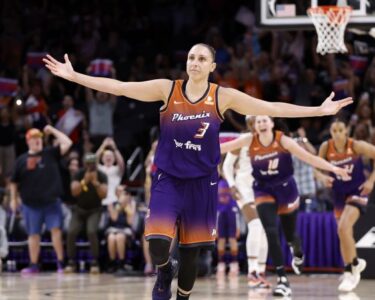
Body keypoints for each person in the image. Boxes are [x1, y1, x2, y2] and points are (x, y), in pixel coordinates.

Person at [44, 44, 352, 300]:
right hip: (167, 178)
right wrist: (75, 77)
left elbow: (269, 106)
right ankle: (165, 270)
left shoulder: (222, 96)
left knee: (191, 255)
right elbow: (120, 87)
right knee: (158, 245)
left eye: (201, 58)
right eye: (191, 57)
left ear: (212, 66)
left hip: (202, 184)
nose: (194, 62)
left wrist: (317, 110)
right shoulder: (168, 89)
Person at [221, 115, 350, 297]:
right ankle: (271, 276)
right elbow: (222, 151)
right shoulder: (246, 140)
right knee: (265, 228)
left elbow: (309, 158)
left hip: (284, 190)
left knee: (289, 235)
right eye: (256, 121)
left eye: (263, 120)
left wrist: (335, 169)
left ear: (272, 123)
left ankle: (295, 253)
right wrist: (193, 150)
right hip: (258, 190)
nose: (259, 124)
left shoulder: (283, 140)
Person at [315, 118, 375, 293]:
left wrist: (371, 180)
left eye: (341, 130)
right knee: (343, 232)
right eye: (334, 131)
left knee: (343, 227)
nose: (338, 134)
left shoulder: (356, 145)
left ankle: (351, 270)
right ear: (331, 133)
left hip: (358, 191)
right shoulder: (326, 147)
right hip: (339, 194)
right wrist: (321, 177)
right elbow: (315, 167)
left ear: (347, 131)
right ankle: (353, 264)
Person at [10, 125, 72, 274]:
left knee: (56, 231)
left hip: (51, 202)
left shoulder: (50, 153)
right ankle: (33, 264)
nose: (38, 141)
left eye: (39, 138)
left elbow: (68, 143)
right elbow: (13, 182)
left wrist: (53, 131)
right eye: (34, 138)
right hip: (30, 204)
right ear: (28, 141)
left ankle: (60, 263)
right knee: (33, 234)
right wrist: (13, 199)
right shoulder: (21, 160)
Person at [222, 115, 270, 288]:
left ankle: (261, 272)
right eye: (251, 122)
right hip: (243, 188)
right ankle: (252, 272)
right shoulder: (243, 140)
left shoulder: (269, 141)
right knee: (256, 225)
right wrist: (232, 185)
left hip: (262, 189)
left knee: (265, 229)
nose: (254, 125)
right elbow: (226, 166)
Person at [64, 153, 108, 274]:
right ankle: (71, 262)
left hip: (95, 210)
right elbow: (74, 192)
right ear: (85, 164)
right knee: (71, 232)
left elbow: (103, 195)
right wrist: (84, 181)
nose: (91, 166)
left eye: (93, 164)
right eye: (88, 164)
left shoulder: (102, 175)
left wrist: (96, 183)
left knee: (91, 231)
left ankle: (94, 262)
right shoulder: (78, 174)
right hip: (79, 210)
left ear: (96, 164)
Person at [106, 185, 136, 275]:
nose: (121, 194)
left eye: (123, 192)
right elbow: (114, 218)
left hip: (126, 230)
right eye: (119, 191)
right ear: (116, 193)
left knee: (119, 237)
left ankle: (121, 263)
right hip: (114, 228)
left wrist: (126, 206)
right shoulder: (111, 204)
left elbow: (130, 222)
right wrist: (119, 204)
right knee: (111, 237)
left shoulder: (131, 204)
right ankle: (112, 263)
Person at [215, 177, 240, 277]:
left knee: (232, 239)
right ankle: (221, 264)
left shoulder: (233, 180)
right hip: (220, 213)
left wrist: (238, 227)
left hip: (232, 212)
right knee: (221, 240)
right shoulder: (218, 181)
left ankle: (234, 264)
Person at [96, 137, 125, 206]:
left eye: (111, 156)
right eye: (106, 156)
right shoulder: (99, 169)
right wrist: (103, 146)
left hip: (114, 201)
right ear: (102, 159)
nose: (108, 157)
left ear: (114, 159)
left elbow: (121, 163)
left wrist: (114, 148)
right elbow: (93, 161)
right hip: (100, 202)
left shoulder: (117, 170)